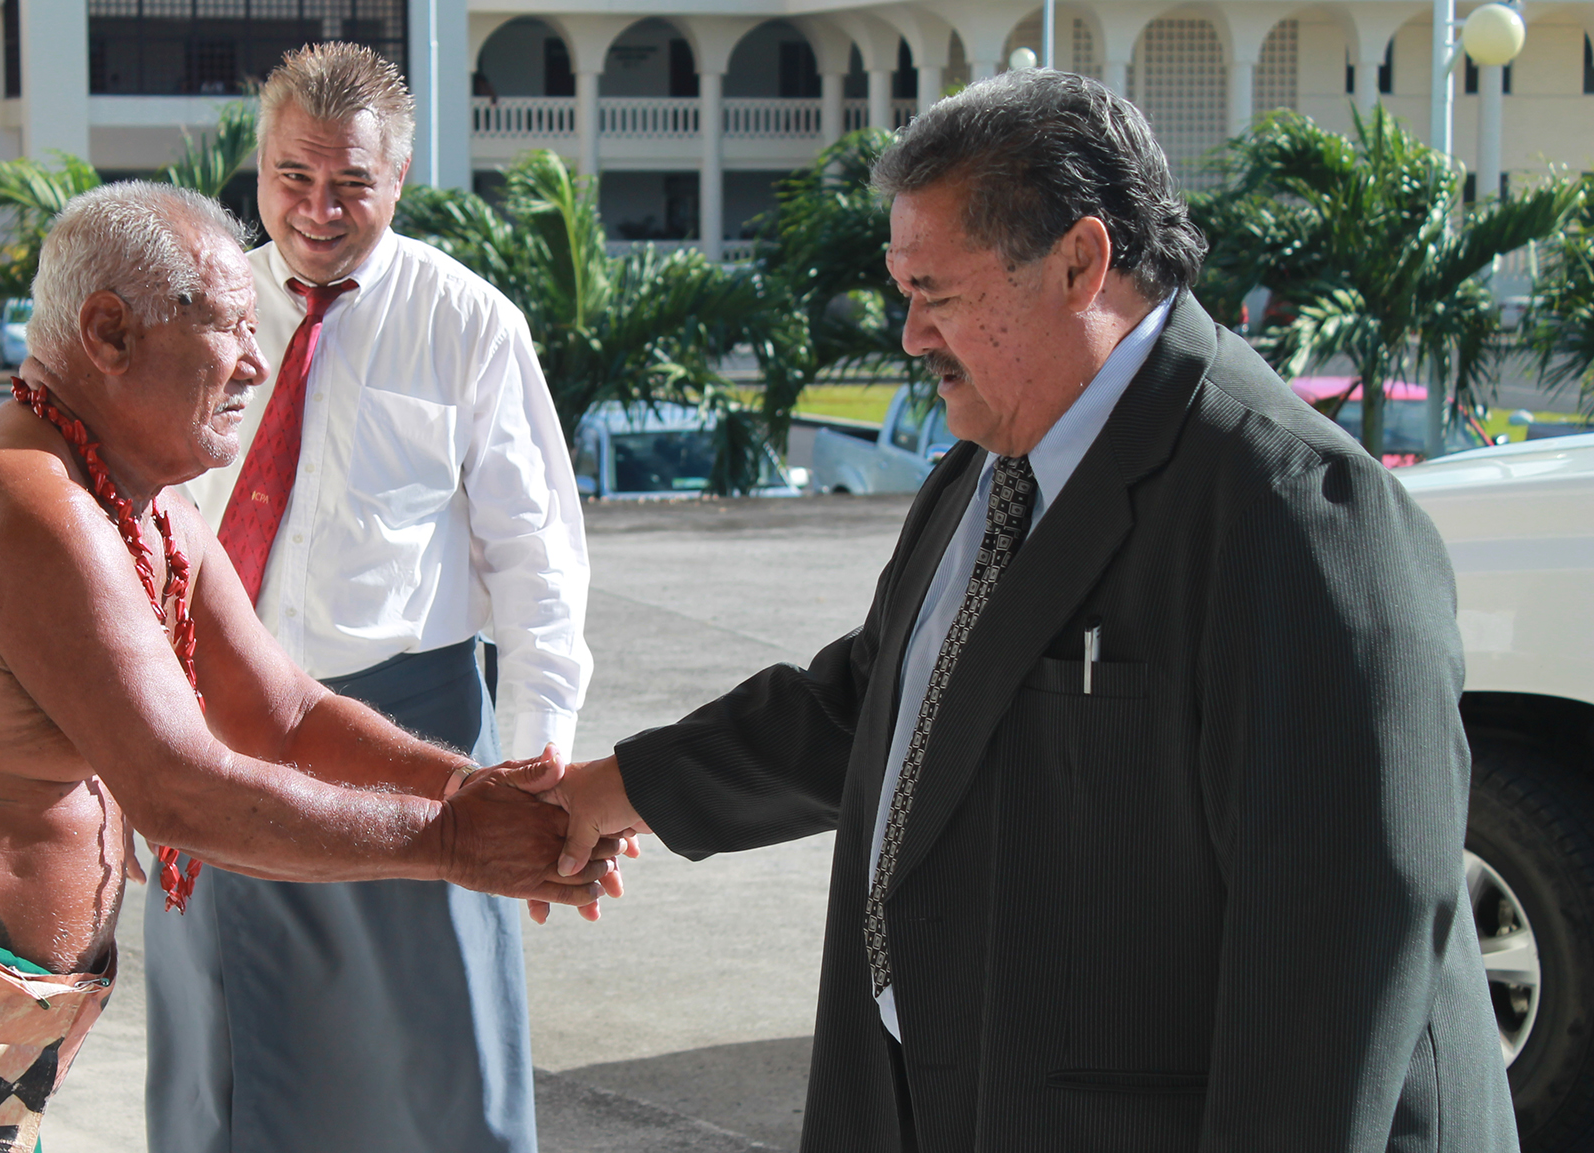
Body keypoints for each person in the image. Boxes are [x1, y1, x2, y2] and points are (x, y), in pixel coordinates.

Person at [544, 70, 1517, 1151]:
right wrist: (612, 789)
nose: (909, 336)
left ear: (1077, 263)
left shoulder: (1296, 516)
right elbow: (878, 706)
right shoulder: (988, 464)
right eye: (900, 291)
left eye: (937, 295)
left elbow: (1332, 969)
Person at [0, 182, 615, 1153]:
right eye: (230, 328)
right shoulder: (22, 507)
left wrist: (473, 788)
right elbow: (179, 793)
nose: (254, 359)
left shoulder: (155, 511)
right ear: (109, 335)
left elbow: (281, 714)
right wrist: (457, 842)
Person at [148, 42, 592, 1153]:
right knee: (225, 1069)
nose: (317, 208)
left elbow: (538, 562)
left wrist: (537, 775)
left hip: (410, 736)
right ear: (257, 167)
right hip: (218, 731)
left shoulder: (465, 320)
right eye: (292, 177)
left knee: (444, 1078)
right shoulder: (197, 309)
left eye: (350, 182)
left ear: (397, 179)